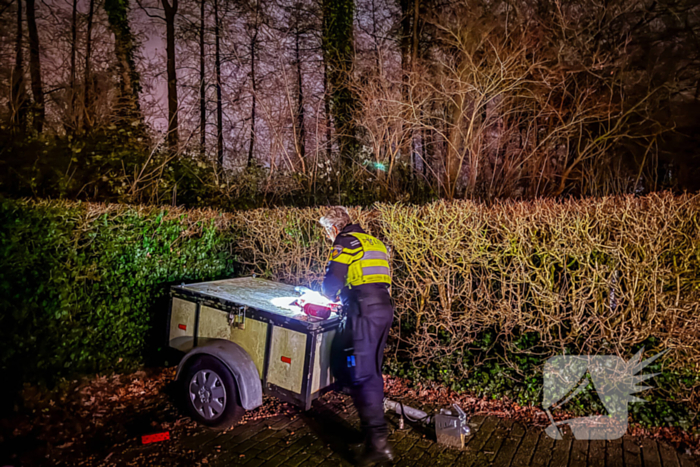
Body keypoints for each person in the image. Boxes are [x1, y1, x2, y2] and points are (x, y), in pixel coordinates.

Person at [319, 206, 394, 466]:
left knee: (364, 374)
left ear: (334, 228)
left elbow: (332, 283)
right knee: (357, 364)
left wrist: (326, 296)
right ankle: (369, 428)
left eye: (327, 231)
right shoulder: (374, 242)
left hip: (364, 310)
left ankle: (378, 443)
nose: (328, 236)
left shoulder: (345, 241)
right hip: (382, 308)